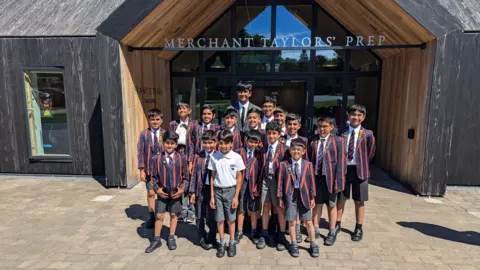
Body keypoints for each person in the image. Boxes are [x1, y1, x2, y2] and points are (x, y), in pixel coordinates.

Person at [336, 104, 376, 242]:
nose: (356, 117)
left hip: (360, 171)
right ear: (348, 116)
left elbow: (370, 153)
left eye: (359, 115)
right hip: (344, 170)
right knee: (341, 198)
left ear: (363, 117)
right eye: (353, 114)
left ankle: (358, 227)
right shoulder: (341, 132)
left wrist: (362, 163)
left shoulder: (368, 134)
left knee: (359, 200)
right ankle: (337, 225)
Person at [145, 131, 189, 253]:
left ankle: (171, 237)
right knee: (159, 215)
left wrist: (182, 189)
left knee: (174, 215)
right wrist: (157, 189)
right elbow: (153, 177)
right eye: (167, 143)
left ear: (176, 145)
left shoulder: (182, 158)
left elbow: (186, 177)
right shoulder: (156, 159)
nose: (169, 145)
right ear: (163, 143)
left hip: (176, 193)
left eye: (172, 143)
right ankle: (156, 239)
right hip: (162, 192)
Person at [306, 116, 346, 246]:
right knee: (317, 204)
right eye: (320, 126)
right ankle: (315, 229)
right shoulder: (313, 141)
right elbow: (309, 160)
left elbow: (341, 163)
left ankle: (332, 230)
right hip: (316, 178)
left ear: (331, 127)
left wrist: (339, 182)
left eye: (325, 126)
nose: (322, 129)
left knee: (331, 204)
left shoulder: (338, 141)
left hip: (331, 178)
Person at [277, 138, 319, 258]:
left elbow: (312, 182)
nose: (296, 152)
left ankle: (313, 243)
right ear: (290, 150)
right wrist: (280, 197)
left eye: (299, 150)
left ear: (304, 151)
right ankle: (294, 243)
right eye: (294, 149)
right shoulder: (284, 165)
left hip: (305, 196)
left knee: (308, 221)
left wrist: (313, 197)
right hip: (290, 196)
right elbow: (280, 182)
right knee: (292, 221)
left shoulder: (308, 164)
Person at [209, 130, 246, 258]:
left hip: (231, 191)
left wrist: (236, 196)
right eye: (221, 143)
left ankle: (231, 242)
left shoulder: (236, 157)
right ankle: (221, 242)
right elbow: (212, 177)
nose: (223, 146)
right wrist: (212, 196)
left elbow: (239, 177)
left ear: (231, 144)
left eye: (226, 143)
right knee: (220, 219)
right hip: (218, 192)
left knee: (231, 219)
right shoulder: (214, 156)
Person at [257, 120, 288, 251]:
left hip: (277, 181)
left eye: (274, 133)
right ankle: (264, 234)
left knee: (279, 208)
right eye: (269, 133)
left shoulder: (285, 149)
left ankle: (281, 235)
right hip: (265, 180)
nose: (271, 136)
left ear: (279, 134)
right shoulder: (263, 148)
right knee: (265, 206)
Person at [189, 130, 218, 250]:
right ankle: (201, 237)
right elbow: (194, 176)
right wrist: (192, 192)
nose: (208, 145)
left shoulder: (219, 156)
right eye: (205, 143)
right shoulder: (198, 157)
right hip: (200, 189)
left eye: (211, 142)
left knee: (213, 215)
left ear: (215, 142)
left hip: (213, 191)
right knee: (200, 214)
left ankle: (212, 237)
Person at [137, 108, 165, 229]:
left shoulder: (165, 133)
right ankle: (151, 216)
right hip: (149, 169)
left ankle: (160, 214)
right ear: (149, 120)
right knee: (151, 192)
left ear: (161, 120)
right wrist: (141, 169)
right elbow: (140, 152)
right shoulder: (144, 134)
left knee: (161, 193)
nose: (155, 122)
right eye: (152, 119)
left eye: (157, 119)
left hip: (162, 169)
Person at [169, 102, 196, 223]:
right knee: (181, 183)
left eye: (184, 108)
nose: (182, 110)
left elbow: (195, 144)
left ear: (189, 111)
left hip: (189, 155)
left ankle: (191, 211)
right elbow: (169, 141)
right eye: (179, 108)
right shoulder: (173, 124)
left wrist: (190, 161)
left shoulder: (194, 125)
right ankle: (183, 210)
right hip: (177, 155)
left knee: (190, 183)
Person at [235, 130, 262, 245]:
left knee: (254, 209)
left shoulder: (260, 154)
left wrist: (258, 186)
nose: (253, 145)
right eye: (251, 142)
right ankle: (239, 231)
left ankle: (254, 231)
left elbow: (261, 171)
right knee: (241, 208)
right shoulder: (238, 152)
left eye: (255, 143)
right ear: (246, 140)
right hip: (241, 183)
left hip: (254, 184)